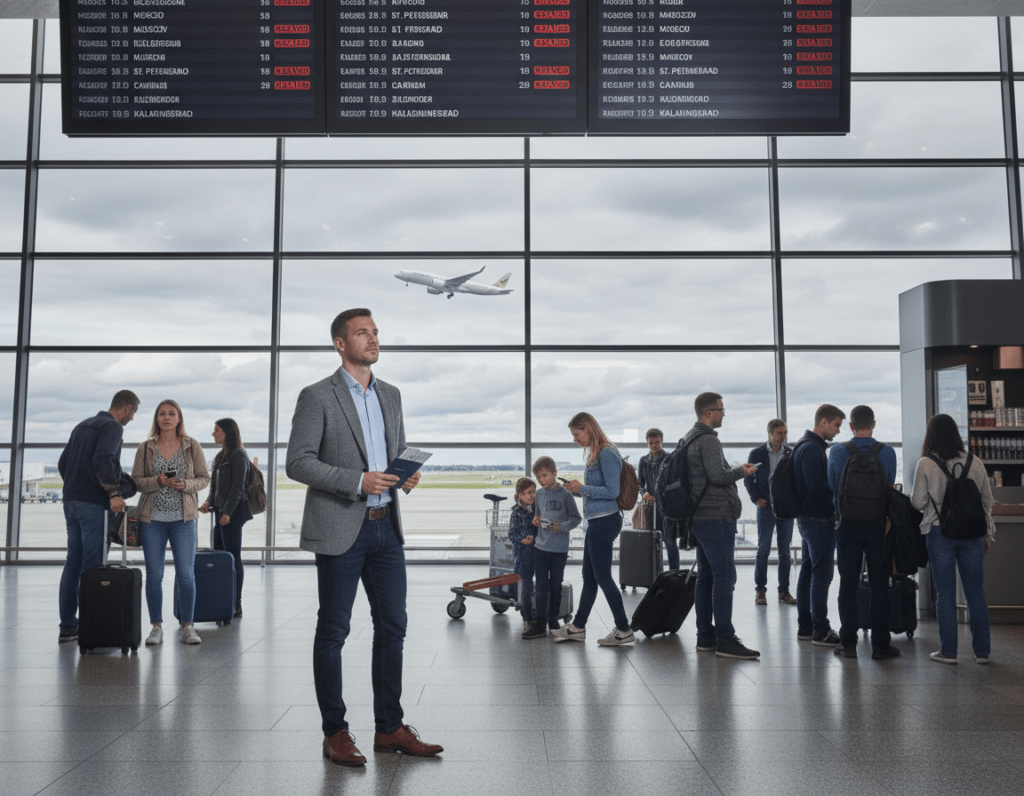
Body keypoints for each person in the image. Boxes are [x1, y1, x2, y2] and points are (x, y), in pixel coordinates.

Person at [285, 308, 442, 767]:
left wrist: (402, 476)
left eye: (375, 332)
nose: (372, 340)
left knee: (394, 626)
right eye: (361, 333)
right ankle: (335, 732)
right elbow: (298, 462)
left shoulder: (390, 394)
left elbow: (395, 453)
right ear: (339, 343)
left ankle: (389, 727)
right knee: (334, 631)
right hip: (341, 529)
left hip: (385, 530)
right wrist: (357, 481)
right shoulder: (317, 396)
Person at [910, 413, 994, 665]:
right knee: (976, 593)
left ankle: (948, 652)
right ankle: (982, 652)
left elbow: (917, 502)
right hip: (973, 534)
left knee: (945, 593)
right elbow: (986, 501)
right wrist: (987, 534)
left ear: (930, 434)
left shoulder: (926, 463)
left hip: (940, 532)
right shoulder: (974, 461)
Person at [57, 390, 140, 643]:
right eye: (133, 413)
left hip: (71, 501)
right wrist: (114, 493)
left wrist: (75, 485)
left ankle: (68, 626)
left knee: (73, 563)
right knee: (91, 566)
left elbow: (63, 462)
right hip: (93, 504)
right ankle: (93, 626)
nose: (132, 419)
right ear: (126, 408)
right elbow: (103, 459)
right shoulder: (112, 427)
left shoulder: (82, 425)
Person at [683, 392, 760, 660]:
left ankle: (705, 637)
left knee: (706, 577)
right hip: (716, 517)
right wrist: (742, 471)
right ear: (708, 413)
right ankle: (725, 639)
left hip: (700, 517)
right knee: (725, 577)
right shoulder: (707, 441)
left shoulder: (689, 438)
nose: (723, 413)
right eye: (720, 410)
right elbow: (717, 476)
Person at [552, 412, 635, 646]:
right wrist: (577, 490)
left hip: (604, 521)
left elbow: (612, 491)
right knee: (589, 577)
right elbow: (599, 490)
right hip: (597, 521)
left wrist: (584, 488)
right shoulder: (596, 454)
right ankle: (578, 627)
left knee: (603, 577)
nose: (575, 439)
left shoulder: (607, 453)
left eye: (576, 434)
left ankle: (624, 629)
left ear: (587, 429)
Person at [132, 399, 210, 646]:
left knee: (186, 575)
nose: (166, 417)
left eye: (171, 414)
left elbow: (204, 478)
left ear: (179, 418)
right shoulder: (145, 447)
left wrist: (185, 485)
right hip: (152, 520)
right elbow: (136, 481)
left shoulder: (191, 445)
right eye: (162, 414)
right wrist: (157, 481)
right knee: (154, 575)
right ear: (156, 418)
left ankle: (188, 626)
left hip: (183, 519)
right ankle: (156, 627)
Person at [827, 405, 900, 660]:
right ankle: (880, 645)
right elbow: (890, 486)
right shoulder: (888, 452)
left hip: (846, 525)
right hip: (878, 525)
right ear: (874, 424)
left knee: (847, 583)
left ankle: (847, 643)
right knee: (880, 583)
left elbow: (832, 487)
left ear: (850, 426)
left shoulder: (837, 452)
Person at [793, 403, 845, 647]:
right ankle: (821, 630)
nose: (837, 431)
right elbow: (816, 486)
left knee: (807, 572)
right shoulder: (813, 449)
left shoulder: (802, 445)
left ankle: (806, 626)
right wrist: (838, 491)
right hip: (818, 519)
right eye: (836, 425)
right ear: (823, 422)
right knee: (821, 576)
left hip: (805, 518)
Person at [199, 418, 253, 619]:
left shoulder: (238, 454)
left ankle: (236, 603)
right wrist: (208, 502)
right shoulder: (222, 455)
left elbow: (238, 487)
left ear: (227, 432)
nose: (213, 433)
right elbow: (215, 486)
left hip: (233, 513)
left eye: (217, 430)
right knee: (222, 556)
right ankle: (225, 598)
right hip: (221, 512)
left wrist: (228, 513)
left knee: (232, 556)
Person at [525, 456, 581, 639]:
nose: (541, 480)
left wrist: (561, 527)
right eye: (538, 477)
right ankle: (540, 624)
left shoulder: (565, 494)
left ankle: (553, 619)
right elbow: (538, 516)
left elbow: (576, 518)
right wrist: (536, 520)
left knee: (556, 586)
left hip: (559, 550)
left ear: (554, 474)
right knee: (540, 587)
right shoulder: (539, 495)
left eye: (544, 475)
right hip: (540, 548)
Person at [744, 419, 796, 605]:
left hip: (785, 509)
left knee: (784, 553)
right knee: (763, 551)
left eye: (785, 433)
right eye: (779, 433)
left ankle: (784, 591)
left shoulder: (790, 453)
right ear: (770, 433)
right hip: (766, 507)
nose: (783, 436)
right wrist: (756, 498)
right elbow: (748, 479)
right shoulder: (757, 453)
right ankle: (760, 591)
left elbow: (795, 480)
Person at [638, 428, 679, 570]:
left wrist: (659, 495)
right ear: (647, 443)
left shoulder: (670, 459)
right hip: (650, 507)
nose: (654, 446)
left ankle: (674, 573)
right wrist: (644, 494)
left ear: (662, 441)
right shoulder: (643, 461)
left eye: (657, 442)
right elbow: (640, 484)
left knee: (669, 540)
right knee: (651, 541)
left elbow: (676, 483)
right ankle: (654, 573)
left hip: (666, 507)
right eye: (651, 443)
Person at [507, 477, 537, 631]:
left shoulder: (538, 508)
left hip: (538, 553)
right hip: (523, 555)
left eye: (533, 492)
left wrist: (534, 536)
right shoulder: (516, 512)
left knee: (538, 585)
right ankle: (527, 618)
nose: (531, 496)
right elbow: (512, 534)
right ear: (520, 495)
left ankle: (540, 614)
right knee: (526, 586)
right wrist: (522, 539)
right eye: (527, 493)